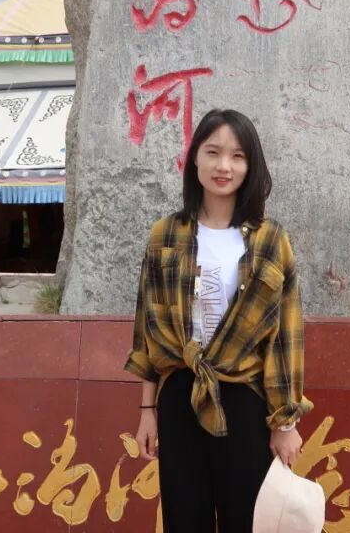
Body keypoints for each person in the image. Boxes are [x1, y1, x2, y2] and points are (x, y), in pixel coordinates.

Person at [126, 109, 312, 533]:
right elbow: (146, 330)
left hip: (245, 400)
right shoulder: (165, 235)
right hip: (180, 397)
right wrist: (147, 411)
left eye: (237, 156)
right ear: (195, 158)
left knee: (247, 521)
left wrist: (285, 423)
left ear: (251, 165)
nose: (223, 166)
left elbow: (286, 336)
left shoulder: (270, 239)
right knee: (184, 519)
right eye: (213, 152)